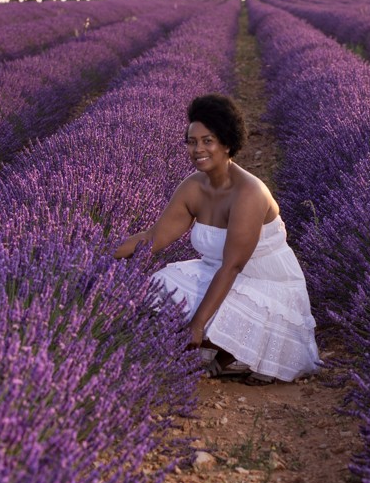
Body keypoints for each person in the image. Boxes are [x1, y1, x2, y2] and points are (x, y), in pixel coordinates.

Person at [115, 95, 320, 383]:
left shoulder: (249, 192)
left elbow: (232, 267)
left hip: (266, 284)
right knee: (160, 285)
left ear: (226, 143)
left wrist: (196, 326)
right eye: (191, 141)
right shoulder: (193, 187)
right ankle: (224, 354)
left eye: (207, 141)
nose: (197, 149)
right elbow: (153, 238)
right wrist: (97, 255)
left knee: (213, 312)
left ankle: (230, 354)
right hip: (217, 273)